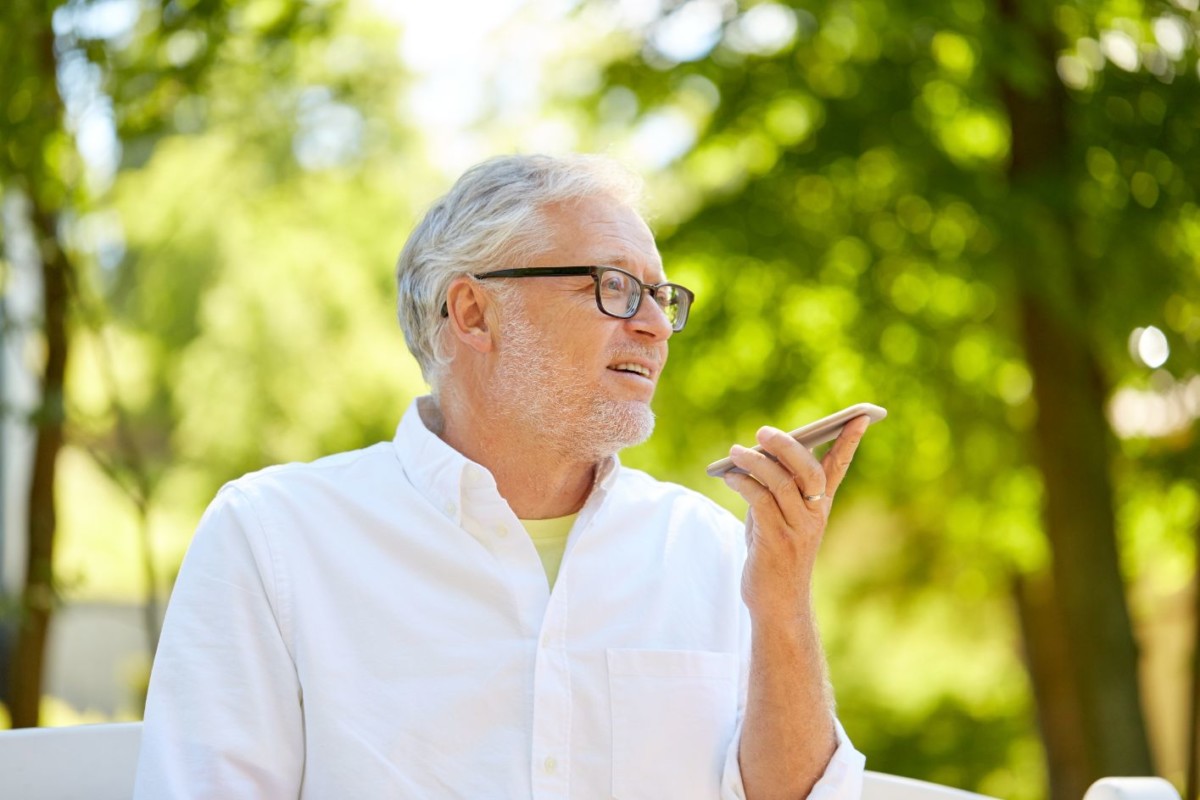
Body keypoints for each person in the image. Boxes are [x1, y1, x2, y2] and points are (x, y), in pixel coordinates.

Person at [133, 154, 870, 799]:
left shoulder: (711, 548)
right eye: (614, 287)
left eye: (662, 297)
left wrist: (781, 603)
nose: (653, 325)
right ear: (474, 312)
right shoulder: (274, 538)